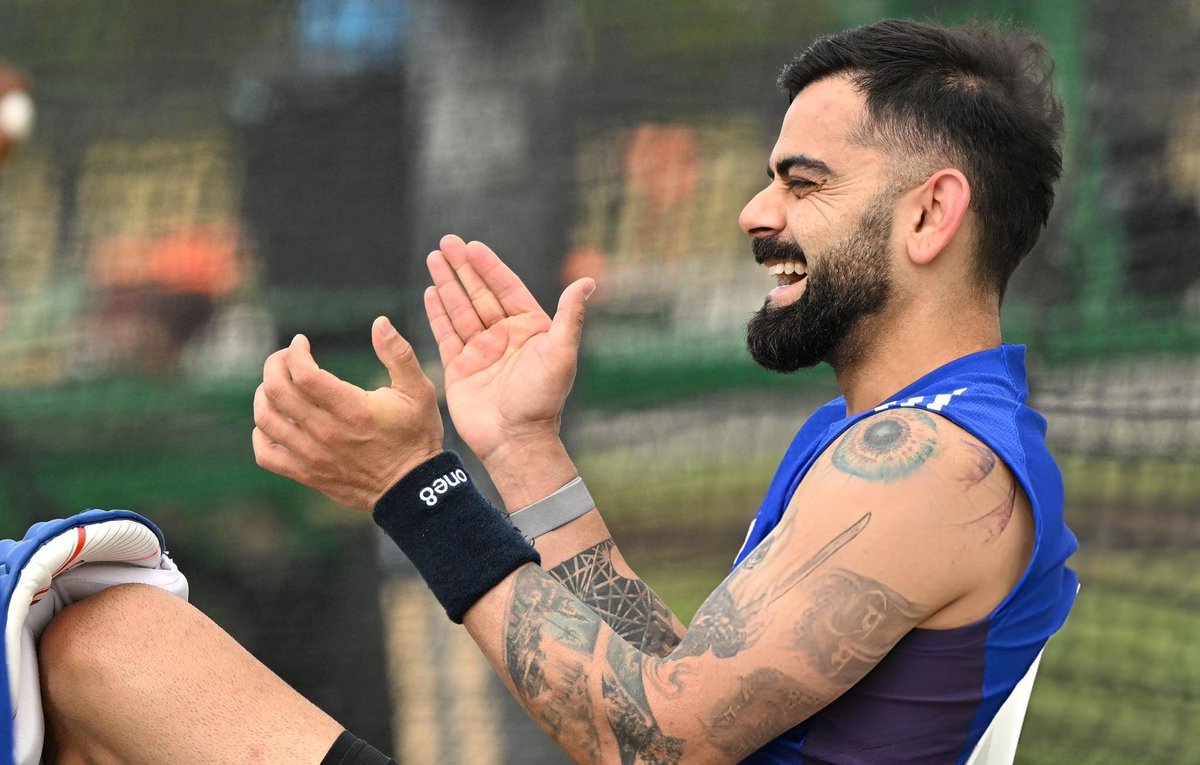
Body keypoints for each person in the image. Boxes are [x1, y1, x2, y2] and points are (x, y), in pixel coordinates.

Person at [21, 18, 1077, 765]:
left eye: (803, 183)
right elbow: (687, 682)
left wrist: (417, 491)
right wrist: (525, 449)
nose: (757, 212)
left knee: (93, 641)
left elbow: (661, 741)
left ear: (932, 215)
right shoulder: (878, 439)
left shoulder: (936, 463)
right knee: (90, 655)